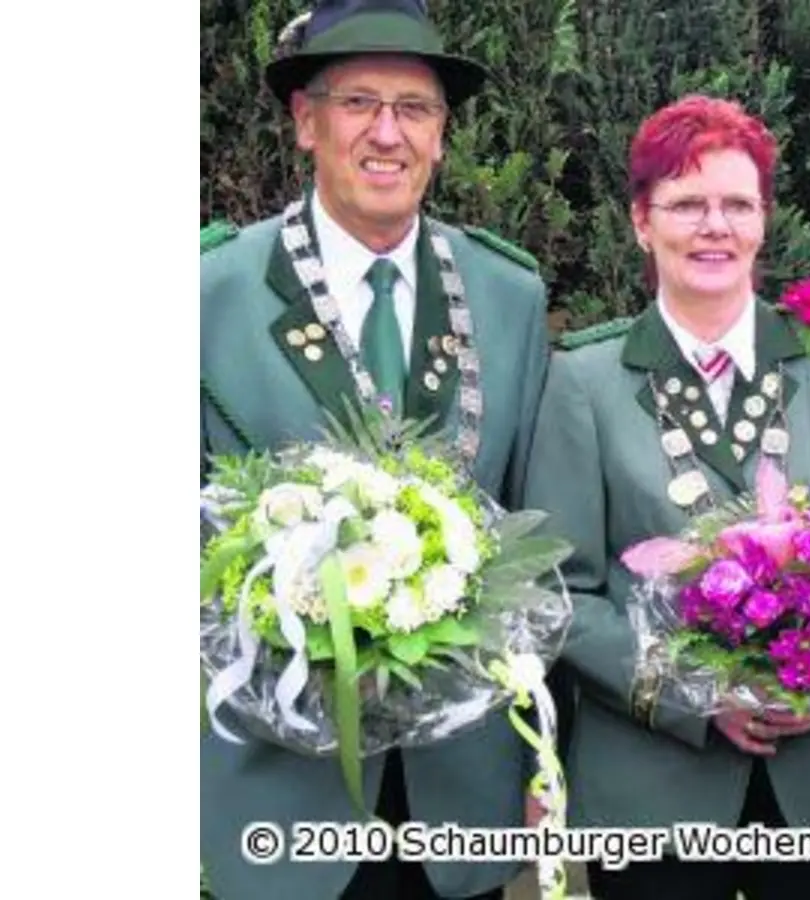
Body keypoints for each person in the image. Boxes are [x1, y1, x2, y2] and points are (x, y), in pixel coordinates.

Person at [524, 94, 810, 900]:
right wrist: (692, 697)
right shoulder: (585, 379)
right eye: (686, 204)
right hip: (652, 781)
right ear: (642, 220)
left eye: (736, 204)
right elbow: (562, 587)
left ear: (763, 220)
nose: (714, 226)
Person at [199, 2, 552, 898]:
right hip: (279, 795)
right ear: (306, 122)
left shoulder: (507, 296)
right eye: (358, 102)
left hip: (463, 798)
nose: (387, 133)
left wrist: (549, 756)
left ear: (440, 137)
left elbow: (540, 539)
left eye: (416, 108)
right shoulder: (207, 296)